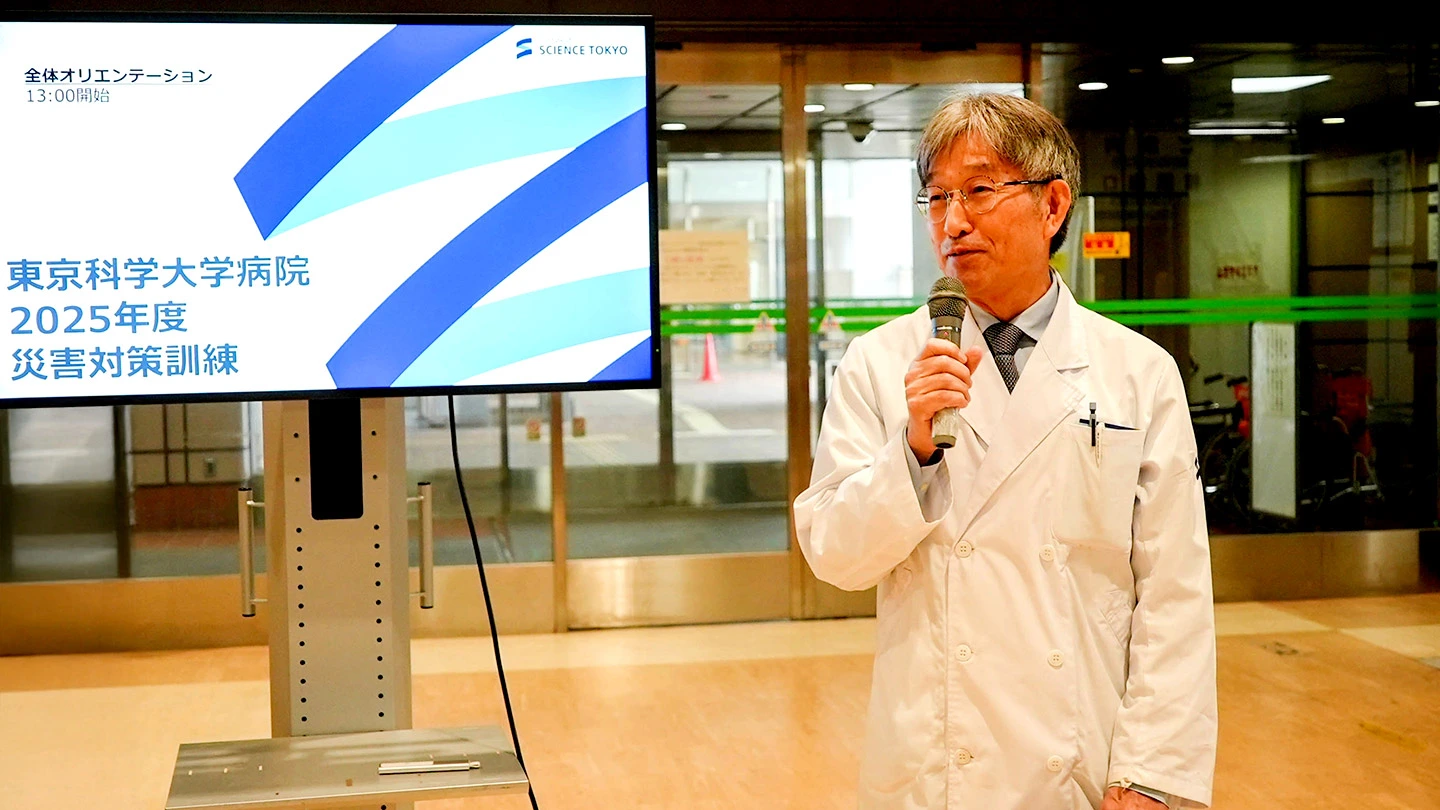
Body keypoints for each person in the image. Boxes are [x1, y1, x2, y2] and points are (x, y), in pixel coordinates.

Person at [793, 93, 1216, 810]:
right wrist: (915, 453)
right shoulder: (880, 363)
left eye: (980, 190)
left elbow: (1174, 588)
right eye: (937, 197)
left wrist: (1154, 772)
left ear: (1053, 205)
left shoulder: (1138, 373)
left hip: (1081, 757)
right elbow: (835, 555)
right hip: (936, 764)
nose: (953, 221)